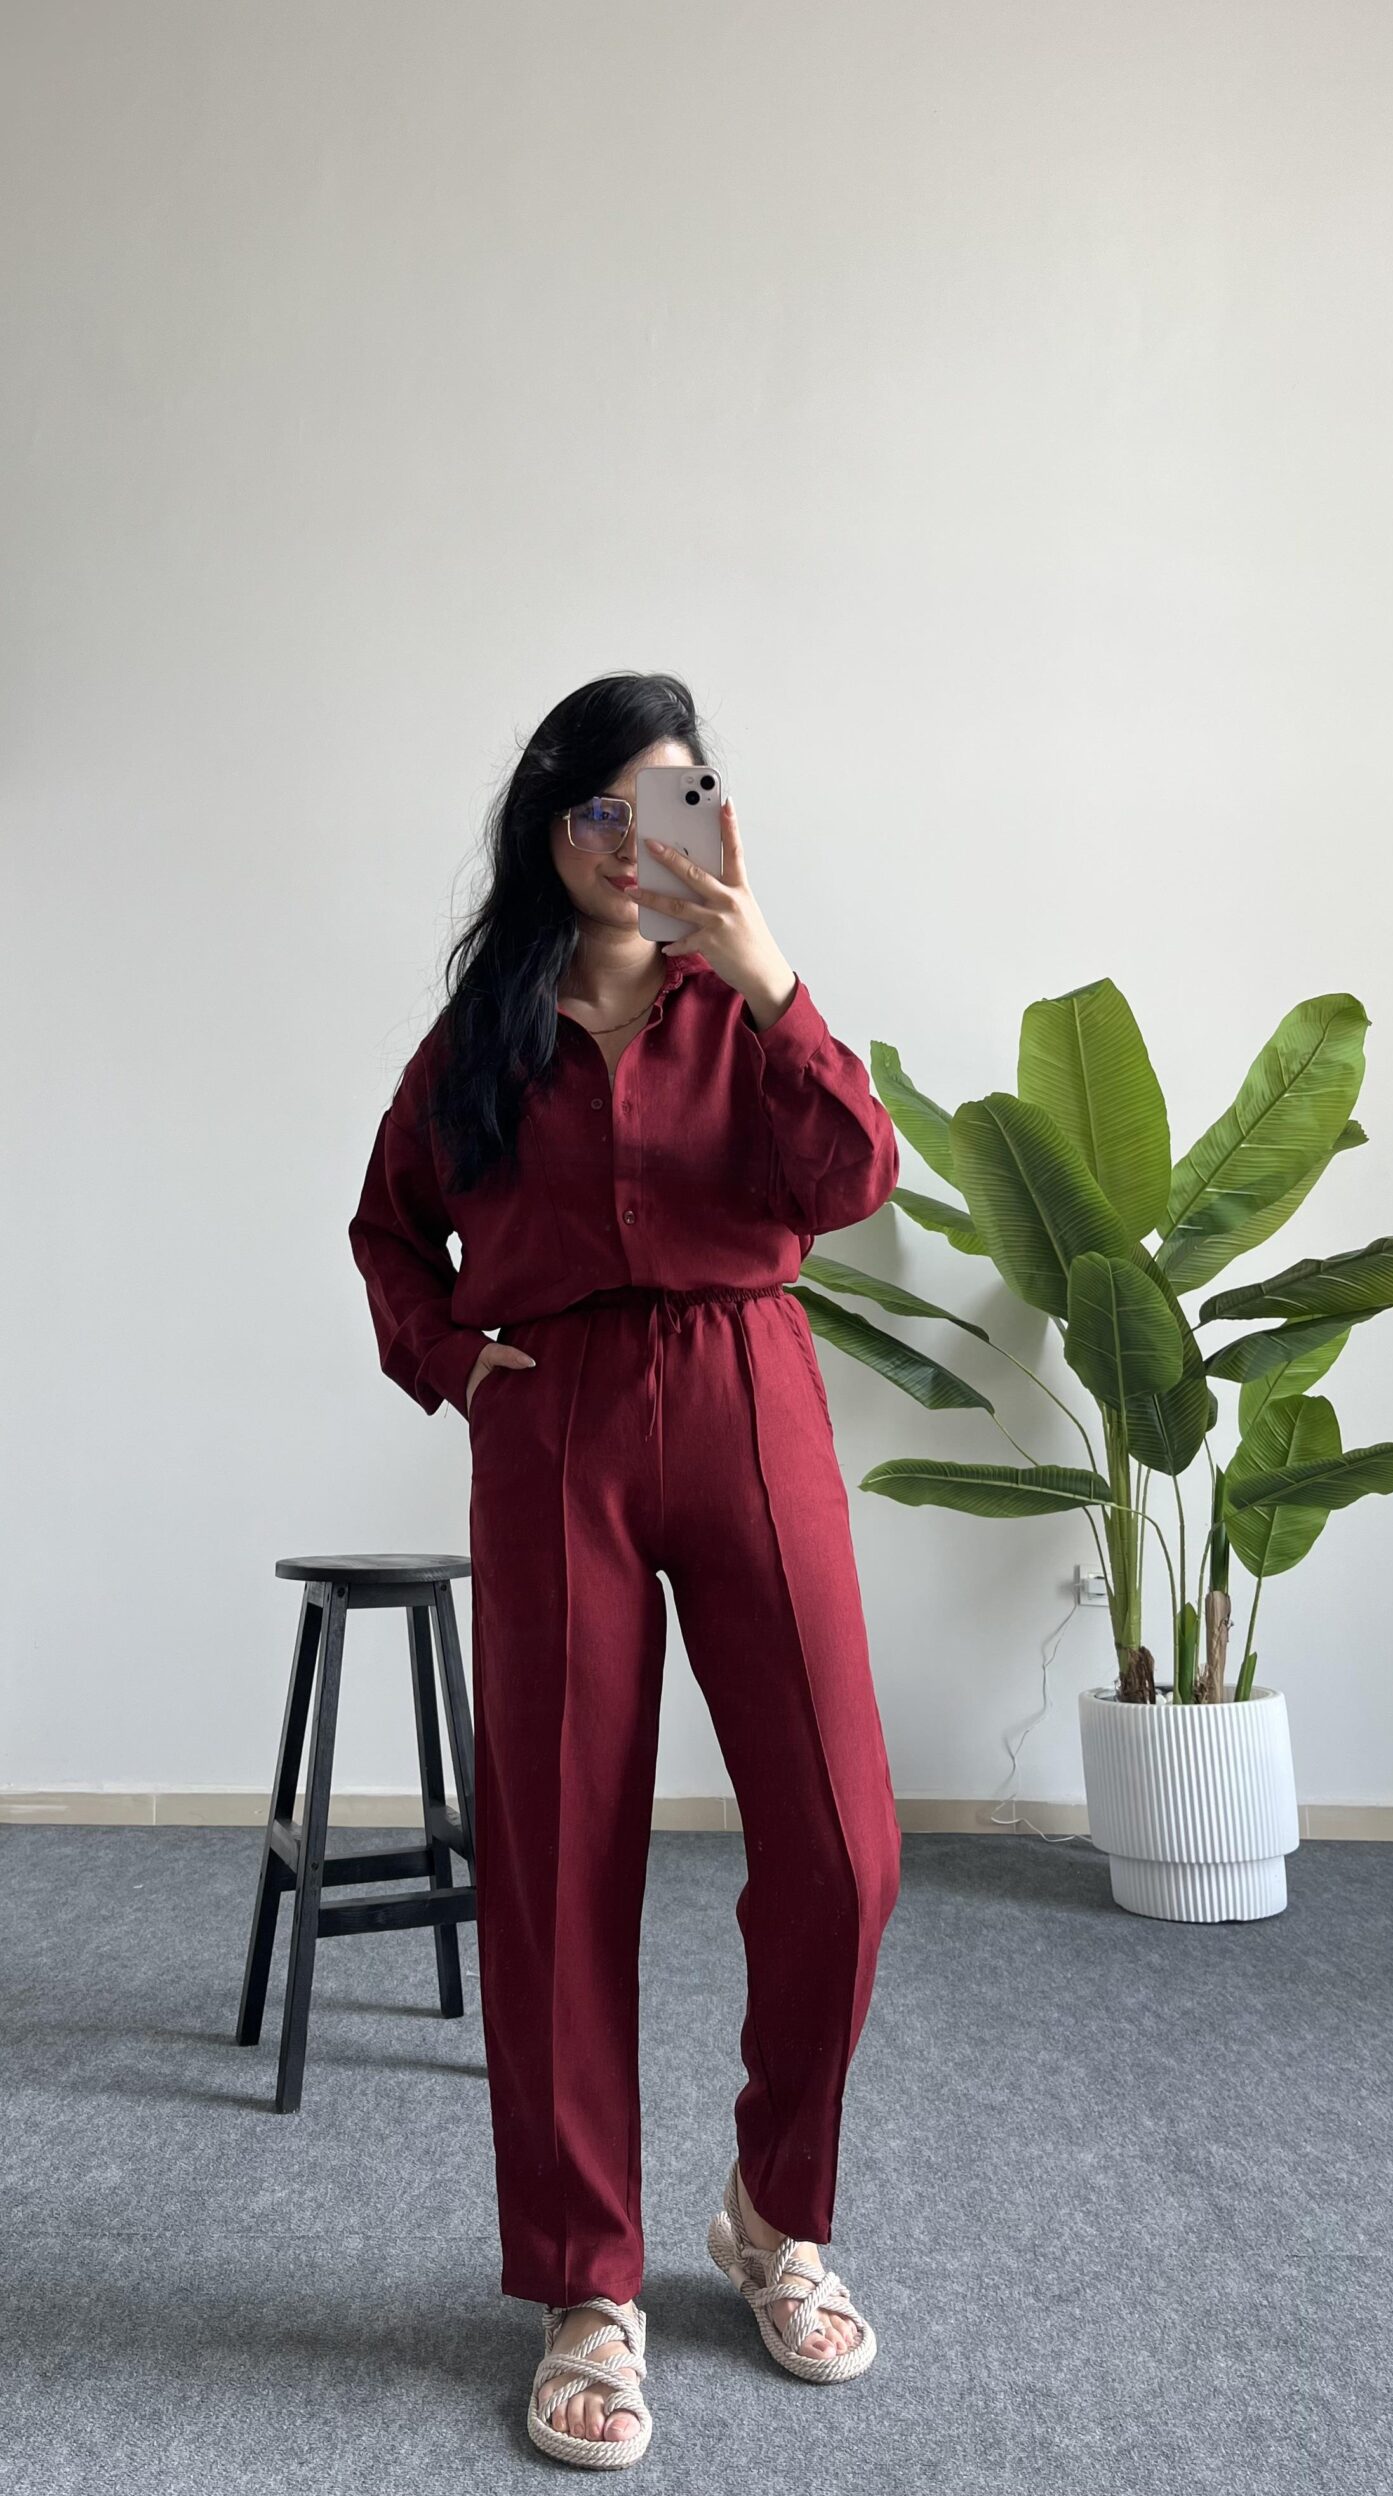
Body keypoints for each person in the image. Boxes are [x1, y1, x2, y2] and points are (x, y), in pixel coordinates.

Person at [348, 672, 902, 2469]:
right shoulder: (484, 1036)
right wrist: (454, 1364)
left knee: (845, 1844)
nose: (622, 841)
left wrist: (766, 971)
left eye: (660, 804)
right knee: (559, 1856)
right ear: (548, 826)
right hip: (558, 1417)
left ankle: (772, 2213)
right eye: (595, 808)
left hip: (749, 1388)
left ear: (707, 822)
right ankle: (588, 2280)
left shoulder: (745, 1009)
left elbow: (852, 1180)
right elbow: (388, 1230)